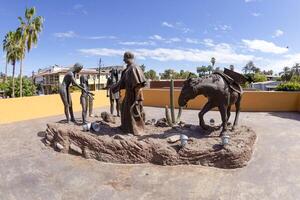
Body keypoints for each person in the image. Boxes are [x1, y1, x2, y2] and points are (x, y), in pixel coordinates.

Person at [111, 52, 146, 135]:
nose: (123, 60)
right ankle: (126, 128)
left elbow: (139, 85)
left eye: (124, 58)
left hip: (134, 95)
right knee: (124, 109)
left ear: (128, 57)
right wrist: (113, 87)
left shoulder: (134, 68)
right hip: (129, 94)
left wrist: (137, 98)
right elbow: (122, 82)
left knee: (134, 111)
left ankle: (137, 130)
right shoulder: (128, 69)